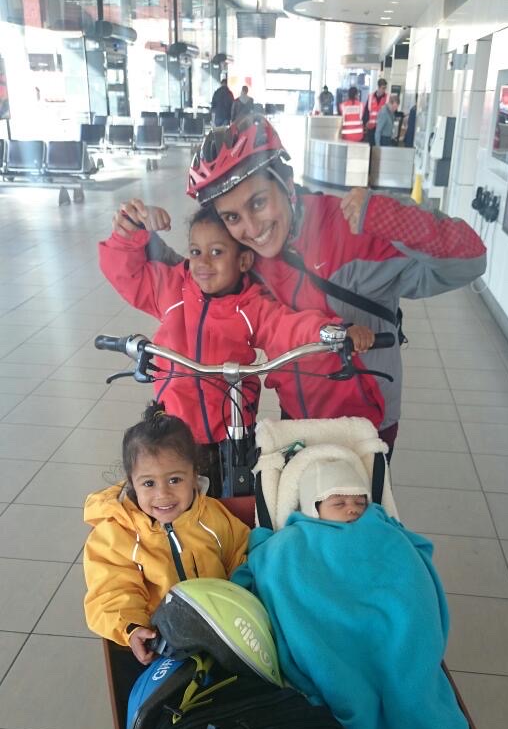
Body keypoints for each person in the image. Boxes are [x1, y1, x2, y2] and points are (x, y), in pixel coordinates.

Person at [149, 114, 486, 458]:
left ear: (287, 183)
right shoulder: (246, 256)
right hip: (295, 419)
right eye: (232, 217)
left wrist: (393, 218)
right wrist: (135, 237)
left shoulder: (351, 229)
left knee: (362, 511)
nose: (251, 228)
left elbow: (470, 261)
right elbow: (186, 282)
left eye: (259, 202)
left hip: (363, 423)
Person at [232, 455, 475, 729]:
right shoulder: (290, 542)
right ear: (313, 506)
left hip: (391, 631)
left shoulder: (382, 530)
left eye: (359, 502)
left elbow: (412, 577)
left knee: (405, 672)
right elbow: (273, 575)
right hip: (331, 635)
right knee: (343, 682)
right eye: (339, 502)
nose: (352, 510)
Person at [99, 201, 383, 483]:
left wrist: (333, 332)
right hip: (173, 424)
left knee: (238, 494)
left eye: (217, 252)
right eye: (196, 251)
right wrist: (132, 228)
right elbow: (128, 275)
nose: (203, 262)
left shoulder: (252, 305)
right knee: (169, 493)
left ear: (244, 261)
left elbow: (288, 327)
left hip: (231, 426)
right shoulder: (174, 288)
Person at [83, 403, 250, 665]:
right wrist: (132, 627)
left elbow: (241, 557)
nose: (163, 495)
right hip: (162, 645)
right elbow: (111, 590)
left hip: (223, 631)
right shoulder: (116, 533)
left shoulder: (213, 516)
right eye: (149, 483)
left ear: (195, 475)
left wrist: (244, 604)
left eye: (175, 480)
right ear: (132, 482)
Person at [363, 77, 388, 146]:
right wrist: (366, 122)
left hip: (382, 128)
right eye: (383, 88)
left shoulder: (387, 98)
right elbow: (366, 111)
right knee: (371, 146)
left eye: (385, 88)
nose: (384, 90)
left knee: (380, 146)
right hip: (371, 127)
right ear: (378, 87)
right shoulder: (371, 96)